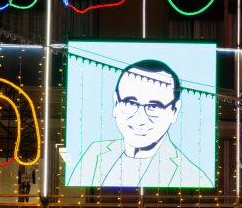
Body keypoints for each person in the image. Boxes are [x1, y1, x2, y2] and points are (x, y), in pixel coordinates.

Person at [66, 59, 212, 188]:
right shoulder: (95, 153)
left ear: (174, 111)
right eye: (130, 103)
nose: (140, 118)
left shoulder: (192, 176)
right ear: (116, 104)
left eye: (153, 107)